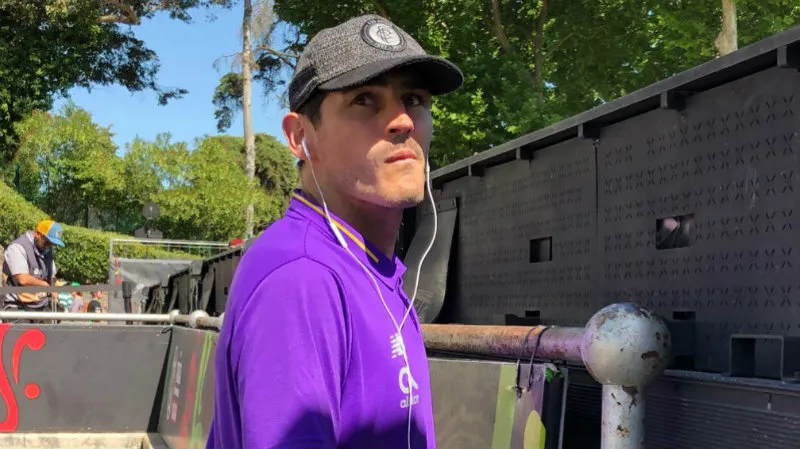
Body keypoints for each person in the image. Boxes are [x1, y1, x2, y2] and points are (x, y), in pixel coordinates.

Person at [207, 14, 463, 449]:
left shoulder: (365, 266)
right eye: (365, 100)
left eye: (415, 98)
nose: (403, 121)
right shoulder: (303, 279)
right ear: (300, 135)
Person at [2, 220, 65, 311]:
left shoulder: (48, 251)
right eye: (47, 242)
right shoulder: (18, 247)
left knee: (59, 314)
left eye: (53, 244)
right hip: (17, 304)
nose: (49, 247)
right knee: (26, 325)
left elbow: (52, 276)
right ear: (37, 234)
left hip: (41, 303)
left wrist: (54, 288)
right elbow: (22, 279)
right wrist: (45, 285)